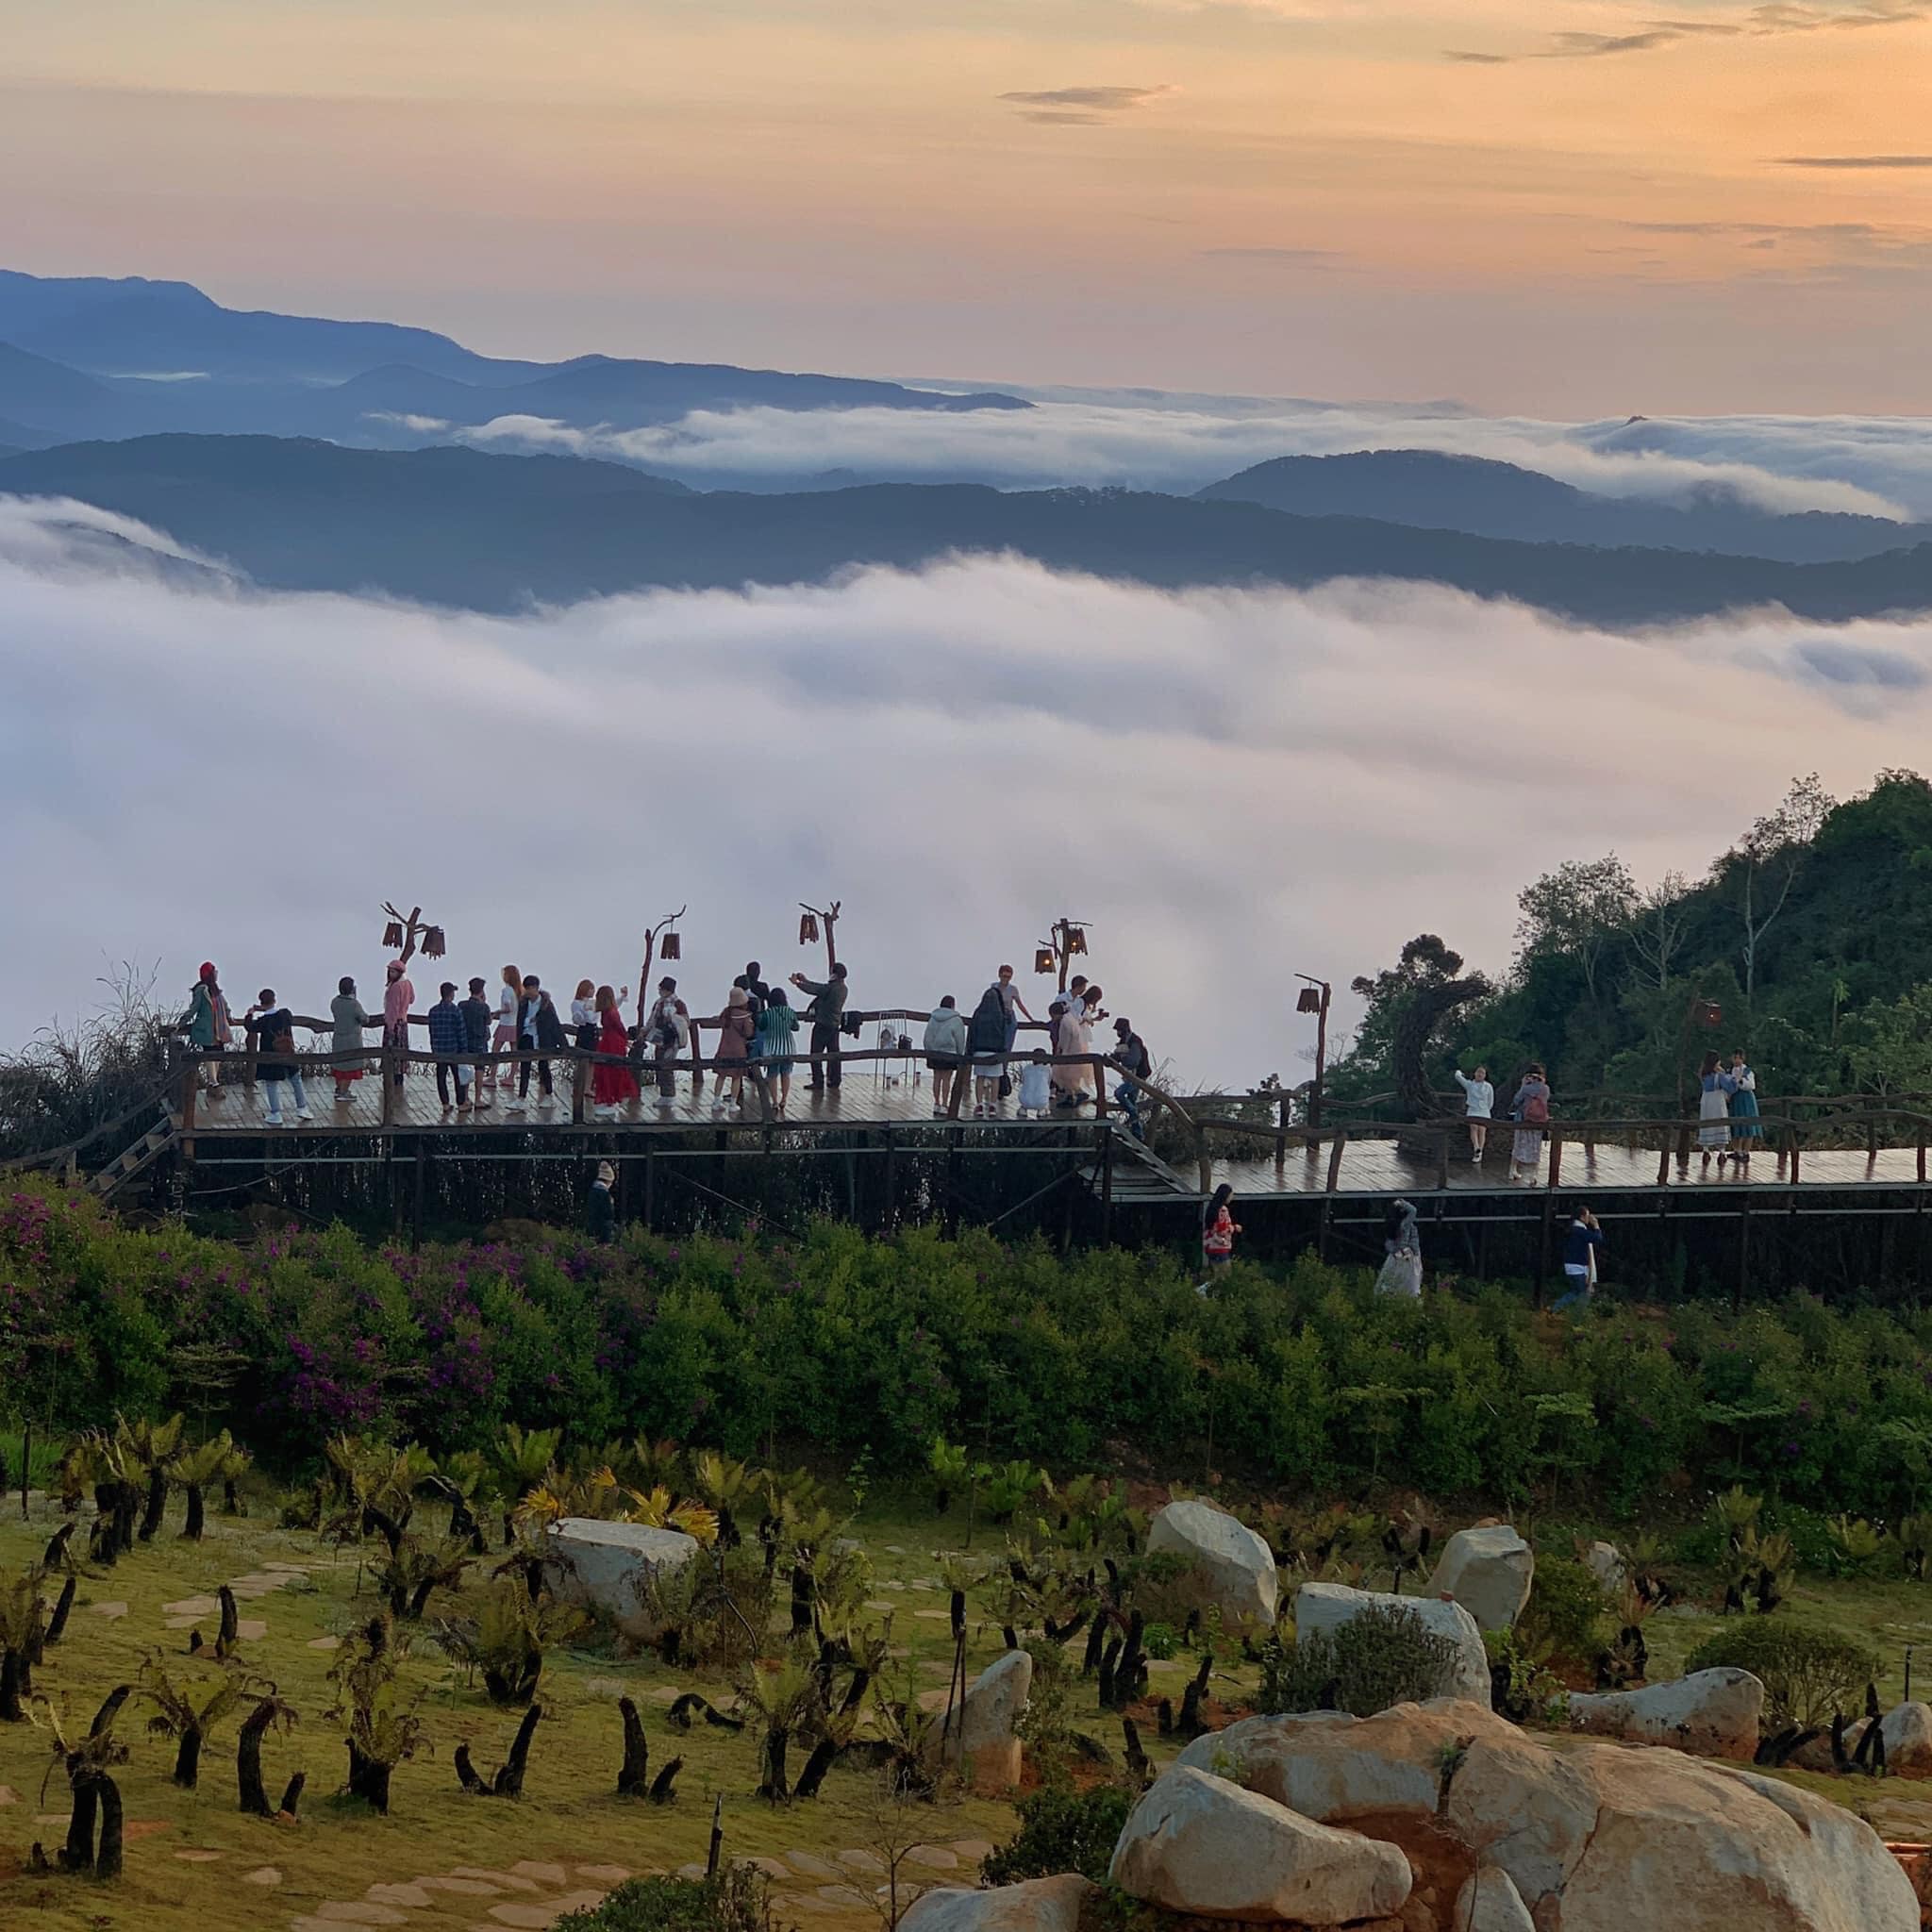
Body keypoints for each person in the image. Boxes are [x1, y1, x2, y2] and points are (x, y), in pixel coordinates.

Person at [243, 988, 310, 1126]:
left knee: (271, 1084)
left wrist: (250, 1013)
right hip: (287, 1053)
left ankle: (276, 1114)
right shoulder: (285, 1015)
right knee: (295, 1079)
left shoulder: (263, 1021)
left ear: (261, 1003)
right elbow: (284, 1016)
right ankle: (302, 1108)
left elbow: (250, 1026)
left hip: (271, 1057)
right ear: (275, 1000)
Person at [793, 962, 848, 1091]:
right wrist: (805, 980)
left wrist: (798, 983)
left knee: (815, 1053)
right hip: (834, 1026)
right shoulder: (843, 988)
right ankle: (835, 1080)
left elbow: (815, 990)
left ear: (834, 973)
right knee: (834, 1054)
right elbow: (820, 987)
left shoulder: (831, 988)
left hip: (823, 1024)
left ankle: (818, 1081)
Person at [181, 962, 234, 1095]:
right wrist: (181, 1022)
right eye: (214, 971)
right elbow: (194, 1008)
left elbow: (225, 1005)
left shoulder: (215, 990)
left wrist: (229, 1016)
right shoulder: (202, 990)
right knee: (210, 1055)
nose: (216, 974)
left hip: (219, 1029)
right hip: (207, 1029)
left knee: (217, 1056)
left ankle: (212, 1083)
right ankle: (215, 1084)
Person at [508, 974, 557, 1110]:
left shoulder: (546, 1004)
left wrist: (562, 1044)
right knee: (524, 1068)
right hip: (527, 1037)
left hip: (542, 1039)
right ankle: (521, 1099)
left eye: (529, 988)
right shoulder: (523, 1003)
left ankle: (549, 1095)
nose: (527, 991)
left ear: (535, 988)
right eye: (526, 988)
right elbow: (519, 1021)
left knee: (543, 1067)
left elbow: (554, 1024)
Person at [591, 984, 640, 1119]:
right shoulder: (610, 1011)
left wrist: (624, 1040)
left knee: (610, 1070)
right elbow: (620, 1028)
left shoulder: (610, 1012)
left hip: (612, 1043)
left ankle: (611, 1100)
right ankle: (609, 1099)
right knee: (607, 1070)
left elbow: (620, 1028)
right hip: (611, 1042)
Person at [642, 976, 691, 1106]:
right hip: (660, 1038)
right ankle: (665, 1094)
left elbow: (686, 1022)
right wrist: (646, 1030)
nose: (660, 991)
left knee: (666, 1065)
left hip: (672, 1040)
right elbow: (652, 1019)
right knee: (660, 1063)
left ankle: (669, 1095)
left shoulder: (678, 1004)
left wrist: (672, 1019)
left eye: (662, 988)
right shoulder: (659, 1003)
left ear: (667, 990)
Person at [425, 980, 472, 1111]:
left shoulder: (433, 1011)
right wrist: (464, 1050)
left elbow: (431, 1031)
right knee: (458, 1077)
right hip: (454, 1049)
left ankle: (445, 1103)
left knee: (441, 1076)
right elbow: (461, 1032)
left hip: (439, 1049)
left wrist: (433, 1047)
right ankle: (461, 1103)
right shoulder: (455, 1011)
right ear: (451, 994)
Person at [328, 975, 375, 1103]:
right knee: (349, 1068)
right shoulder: (354, 1004)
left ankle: (339, 1089)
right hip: (352, 1040)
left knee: (339, 1067)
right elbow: (364, 1018)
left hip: (338, 1038)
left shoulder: (335, 1002)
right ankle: (343, 1093)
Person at [711, 986, 756, 1116]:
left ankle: (716, 1102)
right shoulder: (745, 1016)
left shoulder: (726, 1013)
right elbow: (748, 1033)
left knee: (721, 1076)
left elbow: (720, 1022)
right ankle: (733, 1104)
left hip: (724, 1048)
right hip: (738, 1050)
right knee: (736, 1077)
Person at [922, 994, 968, 1117]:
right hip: (949, 1053)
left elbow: (927, 1037)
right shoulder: (956, 1020)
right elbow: (960, 1039)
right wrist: (959, 1054)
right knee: (946, 1079)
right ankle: (944, 1104)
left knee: (937, 1078)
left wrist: (928, 1050)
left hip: (934, 1052)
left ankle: (936, 1103)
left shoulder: (933, 1018)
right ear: (953, 1005)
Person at [967, 982, 1008, 1117]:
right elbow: (1004, 1035)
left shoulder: (978, 1013)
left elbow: (972, 1032)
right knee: (995, 1078)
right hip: (995, 1051)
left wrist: (970, 1050)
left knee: (980, 1078)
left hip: (980, 1050)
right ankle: (992, 1105)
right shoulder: (1000, 1016)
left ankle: (979, 1105)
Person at [757, 985, 799, 1115]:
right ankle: (784, 1099)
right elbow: (796, 1027)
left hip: (772, 1048)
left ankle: (774, 1101)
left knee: (772, 1075)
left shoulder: (767, 1013)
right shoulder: (790, 1011)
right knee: (786, 1074)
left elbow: (762, 1026)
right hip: (788, 1047)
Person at [1553, 1207, 1604, 1312]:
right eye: (1587, 1215)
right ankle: (1558, 1309)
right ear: (1581, 1217)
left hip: (1572, 1265)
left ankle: (1567, 1310)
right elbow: (1597, 1238)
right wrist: (1596, 1225)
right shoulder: (1579, 1231)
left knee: (1579, 1291)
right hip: (1577, 1266)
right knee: (1580, 1291)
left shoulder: (1573, 1229)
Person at [1110, 1016, 1152, 1140]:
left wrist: (1122, 1057)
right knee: (1132, 1102)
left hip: (1138, 1077)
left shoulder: (1135, 1041)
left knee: (1119, 1093)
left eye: (1119, 1030)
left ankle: (1133, 1116)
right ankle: (1138, 1134)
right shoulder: (1125, 1041)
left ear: (1125, 1030)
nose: (1118, 1033)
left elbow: (1133, 1061)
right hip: (1132, 1076)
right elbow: (1117, 1056)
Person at [1697, 1050, 1739, 1171]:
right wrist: (1731, 1077)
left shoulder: (1703, 1075)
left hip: (1706, 1100)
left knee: (1706, 1123)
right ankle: (1721, 1152)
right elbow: (1731, 1088)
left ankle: (1705, 1150)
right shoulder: (1719, 1076)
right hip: (1717, 1101)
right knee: (1720, 1124)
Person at [1509, 1065, 1550, 1182]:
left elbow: (1516, 1100)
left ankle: (1512, 1171)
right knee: (1535, 1147)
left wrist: (1523, 1085)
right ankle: (1533, 1175)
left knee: (1518, 1145)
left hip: (1523, 1119)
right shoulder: (1545, 1088)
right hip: (1539, 1121)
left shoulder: (1526, 1088)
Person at [1375, 1198, 1423, 1297]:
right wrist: (1401, 1202)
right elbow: (1413, 1210)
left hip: (1397, 1256)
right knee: (1410, 1284)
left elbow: (1389, 1245)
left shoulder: (1391, 1224)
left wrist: (1396, 1251)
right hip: (1409, 1256)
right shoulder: (1404, 1224)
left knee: (1391, 1281)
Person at [460, 976, 494, 1110]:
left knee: (466, 1070)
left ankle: (465, 1097)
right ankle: (478, 1099)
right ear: (481, 991)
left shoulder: (462, 1005)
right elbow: (488, 1022)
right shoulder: (484, 1007)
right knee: (479, 1070)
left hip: (466, 1040)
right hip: (479, 1041)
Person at [382, 958, 415, 1091]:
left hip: (394, 1024)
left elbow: (392, 1009)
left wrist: (390, 1027)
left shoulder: (395, 987)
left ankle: (392, 1082)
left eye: (393, 971)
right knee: (401, 1053)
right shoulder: (408, 984)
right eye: (390, 971)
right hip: (404, 1021)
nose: (391, 974)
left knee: (391, 1052)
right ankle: (399, 1080)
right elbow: (412, 999)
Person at [1199, 1183, 1241, 1290]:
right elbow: (1222, 1230)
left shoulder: (1212, 1208)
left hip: (1210, 1246)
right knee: (1225, 1276)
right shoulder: (1223, 1210)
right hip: (1220, 1246)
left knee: (1217, 1275)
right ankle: (1203, 1290)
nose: (1232, 1197)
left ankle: (1208, 1293)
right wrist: (1234, 1228)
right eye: (1231, 1194)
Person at [489, 964, 522, 1099]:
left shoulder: (507, 990)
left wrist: (497, 1012)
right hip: (515, 1024)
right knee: (515, 1053)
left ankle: (492, 1077)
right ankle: (511, 1077)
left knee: (495, 1051)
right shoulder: (519, 991)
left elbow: (507, 1008)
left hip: (506, 1023)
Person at [1453, 1064, 1494, 1162]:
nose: (1480, 1074)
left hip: (1484, 1111)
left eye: (1482, 1073)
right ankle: (1476, 1148)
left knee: (1482, 1130)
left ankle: (1480, 1152)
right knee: (1474, 1127)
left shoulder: (1488, 1086)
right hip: (1473, 1110)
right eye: (1478, 1072)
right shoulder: (1470, 1084)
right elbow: (1458, 1076)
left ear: (1485, 1075)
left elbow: (1490, 1101)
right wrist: (1459, 1071)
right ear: (1475, 1073)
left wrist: (1486, 1109)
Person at [1727, 1049, 1762, 1167]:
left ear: (1742, 1059)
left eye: (1739, 1058)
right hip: (1736, 1099)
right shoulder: (1731, 1070)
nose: (1736, 1060)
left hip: (1746, 1099)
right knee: (1736, 1124)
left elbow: (1751, 1085)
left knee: (1748, 1126)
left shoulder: (1747, 1071)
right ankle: (1737, 1150)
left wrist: (1741, 1080)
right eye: (1734, 1057)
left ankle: (1746, 1152)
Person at [995, 964, 1035, 1055]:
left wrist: (1030, 1019)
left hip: (1008, 1014)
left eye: (1009, 977)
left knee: (1012, 1027)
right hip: (996, 1014)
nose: (1006, 979)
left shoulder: (1012, 989)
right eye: (1004, 976)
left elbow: (1020, 1005)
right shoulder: (994, 987)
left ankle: (1006, 1052)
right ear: (1000, 975)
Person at [587, 1159, 617, 1245]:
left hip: (592, 1227)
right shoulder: (604, 1194)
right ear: (608, 1180)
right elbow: (609, 1214)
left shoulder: (592, 1191)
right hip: (604, 1231)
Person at [1017, 1047, 1052, 1120]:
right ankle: (1042, 1109)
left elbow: (1023, 1080)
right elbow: (1048, 1082)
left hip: (1024, 1101)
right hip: (1041, 1101)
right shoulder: (1047, 1069)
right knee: (1044, 1088)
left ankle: (1023, 1109)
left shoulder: (1027, 1067)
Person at [571, 978, 600, 1054]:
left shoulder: (592, 1002)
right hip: (585, 1034)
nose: (593, 991)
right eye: (591, 989)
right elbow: (583, 1019)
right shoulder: (577, 1003)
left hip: (594, 1033)